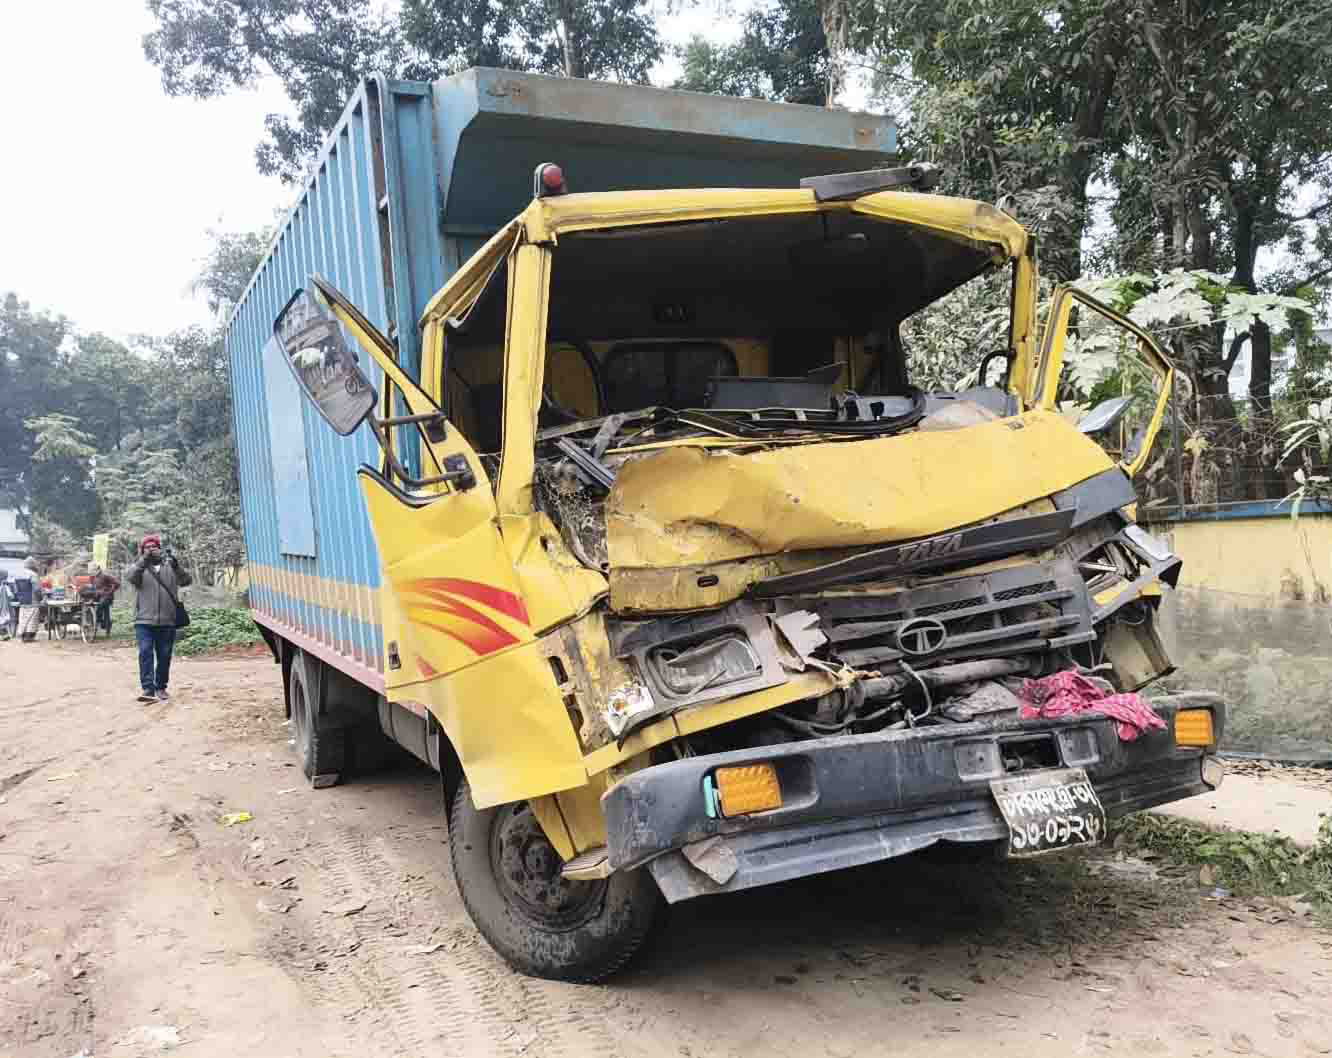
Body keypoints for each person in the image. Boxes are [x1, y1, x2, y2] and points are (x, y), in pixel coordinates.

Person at [126, 534, 192, 702]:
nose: (151, 549)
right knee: (145, 652)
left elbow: (186, 580)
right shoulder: (139, 568)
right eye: (147, 548)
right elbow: (131, 577)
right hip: (143, 620)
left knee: (164, 655)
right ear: (142, 551)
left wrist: (177, 566)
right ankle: (148, 689)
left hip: (167, 620)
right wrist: (143, 561)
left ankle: (161, 687)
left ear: (160, 549)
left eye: (154, 546)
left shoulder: (169, 566)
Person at [90, 565, 120, 633]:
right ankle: (106, 624)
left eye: (94, 570)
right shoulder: (94, 578)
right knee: (104, 612)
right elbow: (96, 589)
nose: (93, 572)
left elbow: (117, 583)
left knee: (101, 606)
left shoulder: (105, 576)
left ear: (98, 570)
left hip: (107, 597)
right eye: (92, 570)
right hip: (99, 597)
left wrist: (110, 591)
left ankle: (103, 623)